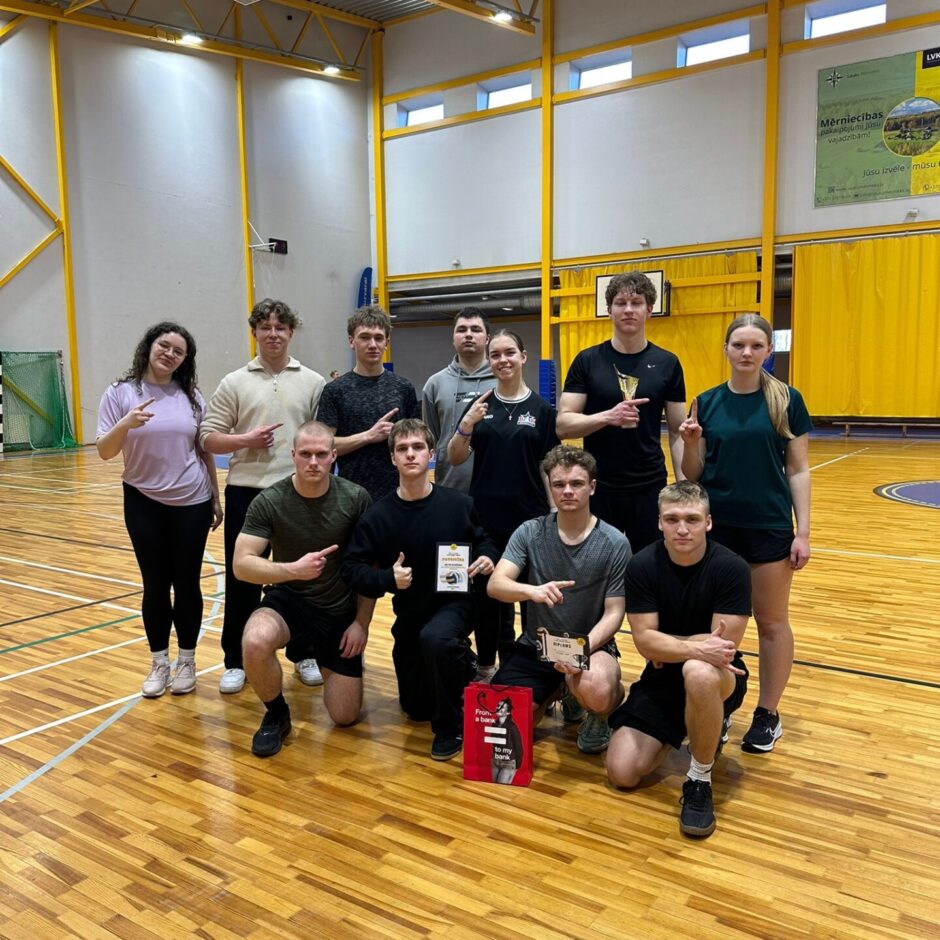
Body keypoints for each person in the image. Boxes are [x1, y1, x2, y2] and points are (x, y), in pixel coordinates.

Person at [679, 313, 811, 754]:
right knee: (717, 628)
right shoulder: (706, 402)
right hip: (717, 532)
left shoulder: (786, 400)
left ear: (768, 350)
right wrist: (691, 443)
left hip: (769, 528)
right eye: (739, 345)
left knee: (771, 623)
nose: (747, 353)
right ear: (726, 349)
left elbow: (798, 469)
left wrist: (803, 532)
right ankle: (718, 708)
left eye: (756, 346)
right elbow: (692, 474)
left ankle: (768, 714)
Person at [342, 419, 498, 761]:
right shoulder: (378, 516)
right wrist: (388, 580)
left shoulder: (458, 504)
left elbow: (484, 539)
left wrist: (487, 557)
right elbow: (352, 568)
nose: (410, 454)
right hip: (411, 614)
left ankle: (449, 727)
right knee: (415, 708)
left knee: (437, 639)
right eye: (402, 449)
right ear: (393, 458)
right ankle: (463, 664)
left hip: (454, 606)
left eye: (417, 447)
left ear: (431, 454)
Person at [606, 481, 751, 839]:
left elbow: (723, 646)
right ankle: (697, 723)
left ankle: (699, 778)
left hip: (719, 675)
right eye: (672, 519)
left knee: (698, 672)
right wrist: (693, 646)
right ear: (659, 523)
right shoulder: (642, 565)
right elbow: (645, 641)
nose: (682, 529)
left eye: (692, 519)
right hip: (663, 678)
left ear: (708, 522)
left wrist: (670, 647)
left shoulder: (732, 567)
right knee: (622, 773)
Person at [201, 299, 326, 695]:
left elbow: (321, 438)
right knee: (243, 578)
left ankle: (304, 652)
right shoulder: (234, 382)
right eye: (266, 327)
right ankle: (235, 660)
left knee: (304, 577)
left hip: (298, 494)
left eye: (281, 327)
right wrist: (245, 440)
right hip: (247, 492)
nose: (273, 334)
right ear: (254, 331)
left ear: (291, 332)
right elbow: (208, 437)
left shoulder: (313, 382)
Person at [233, 421, 374, 757]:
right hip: (289, 600)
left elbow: (370, 568)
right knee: (255, 640)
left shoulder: (356, 498)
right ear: (293, 455)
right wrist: (292, 570)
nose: (313, 462)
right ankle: (276, 714)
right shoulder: (270, 500)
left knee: (344, 716)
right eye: (306, 454)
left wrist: (361, 624)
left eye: (321, 454)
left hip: (338, 610)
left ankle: (330, 662)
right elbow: (241, 565)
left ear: (333, 456)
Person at [96, 322, 222, 698]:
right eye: (164, 345)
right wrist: (126, 423)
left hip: (192, 500)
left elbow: (204, 449)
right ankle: (159, 662)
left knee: (187, 583)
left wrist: (215, 496)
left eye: (178, 351)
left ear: (185, 360)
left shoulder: (192, 397)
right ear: (149, 346)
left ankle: (187, 661)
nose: (169, 354)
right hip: (142, 500)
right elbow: (105, 451)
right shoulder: (120, 393)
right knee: (155, 584)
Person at [487, 445, 629, 755]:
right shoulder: (530, 532)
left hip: (591, 647)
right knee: (501, 728)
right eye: (559, 484)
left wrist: (580, 650)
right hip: (536, 647)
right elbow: (496, 585)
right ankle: (562, 690)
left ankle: (599, 713)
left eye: (576, 483)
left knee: (597, 690)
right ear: (550, 487)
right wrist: (532, 591)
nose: (567, 491)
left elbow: (614, 613)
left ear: (592, 487)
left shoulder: (615, 542)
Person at [447, 329, 558, 679]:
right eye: (495, 355)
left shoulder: (541, 410)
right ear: (489, 360)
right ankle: (485, 665)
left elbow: (548, 467)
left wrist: (555, 513)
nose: (503, 360)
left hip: (530, 521)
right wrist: (466, 425)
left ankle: (531, 668)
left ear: (523, 357)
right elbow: (454, 456)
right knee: (487, 598)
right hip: (485, 522)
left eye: (509, 352)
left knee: (530, 599)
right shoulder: (480, 406)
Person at [556, 271, 686, 553]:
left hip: (649, 485)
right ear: (609, 310)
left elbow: (678, 432)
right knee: (598, 563)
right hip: (598, 485)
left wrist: (684, 487)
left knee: (648, 564)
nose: (628, 309)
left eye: (636, 302)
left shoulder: (668, 363)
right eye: (620, 303)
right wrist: (608, 417)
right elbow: (563, 425)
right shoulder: (587, 361)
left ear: (649, 309)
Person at [317, 305, 420, 500]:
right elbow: (324, 446)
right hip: (351, 496)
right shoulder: (335, 390)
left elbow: (416, 443)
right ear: (351, 341)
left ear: (386, 343)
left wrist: (399, 434)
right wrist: (368, 436)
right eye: (364, 337)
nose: (372, 344)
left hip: (398, 495)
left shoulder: (403, 388)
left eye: (378, 338)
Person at [422, 307, 496, 493]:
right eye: (462, 330)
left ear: (488, 338)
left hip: (495, 489)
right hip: (449, 489)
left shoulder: (502, 381)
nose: (468, 334)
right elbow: (431, 440)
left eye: (476, 329)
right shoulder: (435, 384)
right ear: (453, 338)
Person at [490, 697, 524, 785]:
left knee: (500, 788)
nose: (498, 708)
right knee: (493, 785)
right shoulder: (494, 724)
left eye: (502, 707)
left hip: (508, 762)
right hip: (495, 760)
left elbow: (519, 747)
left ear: (508, 712)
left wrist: (517, 766)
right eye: (498, 706)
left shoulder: (512, 727)